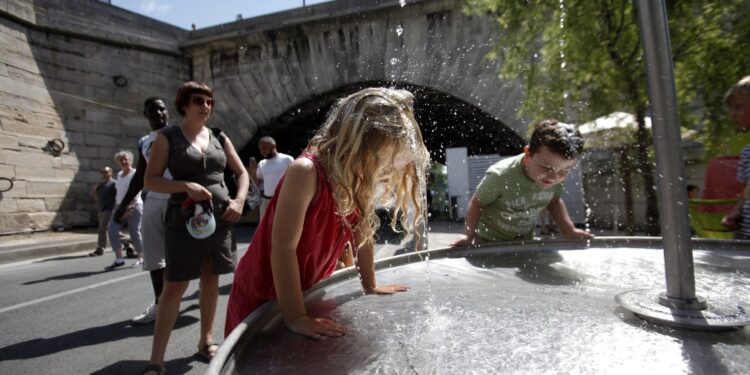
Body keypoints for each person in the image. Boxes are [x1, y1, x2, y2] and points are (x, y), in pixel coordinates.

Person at [225, 87, 431, 340]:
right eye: (379, 158)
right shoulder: (306, 172)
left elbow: (363, 234)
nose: (385, 168)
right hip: (261, 292)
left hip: (305, 290)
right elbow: (282, 247)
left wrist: (370, 285)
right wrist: (296, 317)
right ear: (355, 145)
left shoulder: (356, 179)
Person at [141, 81, 248, 375]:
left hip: (220, 217)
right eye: (199, 100)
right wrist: (185, 185)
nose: (206, 106)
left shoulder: (218, 136)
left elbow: (241, 174)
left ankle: (206, 341)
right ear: (184, 105)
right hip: (185, 218)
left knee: (210, 277)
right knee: (174, 285)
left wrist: (238, 201)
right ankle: (156, 359)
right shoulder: (167, 137)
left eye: (209, 101)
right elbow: (151, 180)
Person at [450, 120, 593, 246]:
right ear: (528, 155)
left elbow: (554, 201)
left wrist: (569, 230)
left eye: (564, 171)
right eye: (547, 167)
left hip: (524, 239)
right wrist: (467, 235)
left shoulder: (553, 179)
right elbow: (477, 203)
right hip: (489, 240)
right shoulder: (501, 176)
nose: (554, 177)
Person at [112, 97, 170, 325]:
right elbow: (141, 177)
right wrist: (125, 203)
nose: (157, 113)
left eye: (161, 108)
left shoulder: (179, 133)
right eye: (152, 110)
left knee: (191, 255)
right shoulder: (144, 142)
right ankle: (160, 304)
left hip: (180, 199)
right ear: (145, 115)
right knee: (155, 256)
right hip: (155, 199)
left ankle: (198, 300)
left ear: (168, 112)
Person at [720, 76, 750, 238]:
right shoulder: (747, 152)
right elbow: (746, 193)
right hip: (745, 236)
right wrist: (736, 212)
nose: (732, 115)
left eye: (738, 108)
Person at [105, 150, 144, 269]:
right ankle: (119, 259)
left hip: (134, 205)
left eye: (126, 159)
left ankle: (141, 257)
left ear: (130, 160)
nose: (124, 161)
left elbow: (137, 190)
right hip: (120, 206)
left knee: (134, 232)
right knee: (112, 230)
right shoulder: (119, 174)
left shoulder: (136, 173)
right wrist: (117, 207)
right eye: (121, 160)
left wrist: (130, 207)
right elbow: (119, 192)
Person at [247, 136, 293, 219]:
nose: (262, 151)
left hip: (283, 200)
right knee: (265, 229)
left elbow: (296, 179)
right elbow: (258, 183)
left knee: (283, 227)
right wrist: (253, 171)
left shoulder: (287, 159)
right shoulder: (262, 163)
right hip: (266, 201)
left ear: (273, 146)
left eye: (264, 148)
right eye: (260, 149)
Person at [88, 166, 116, 256]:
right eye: (102, 172)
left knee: (102, 229)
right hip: (102, 209)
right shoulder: (101, 185)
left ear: (111, 173)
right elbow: (95, 195)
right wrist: (95, 188)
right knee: (110, 229)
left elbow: (119, 197)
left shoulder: (114, 183)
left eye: (106, 172)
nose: (104, 174)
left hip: (110, 209)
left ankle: (100, 248)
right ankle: (127, 241)